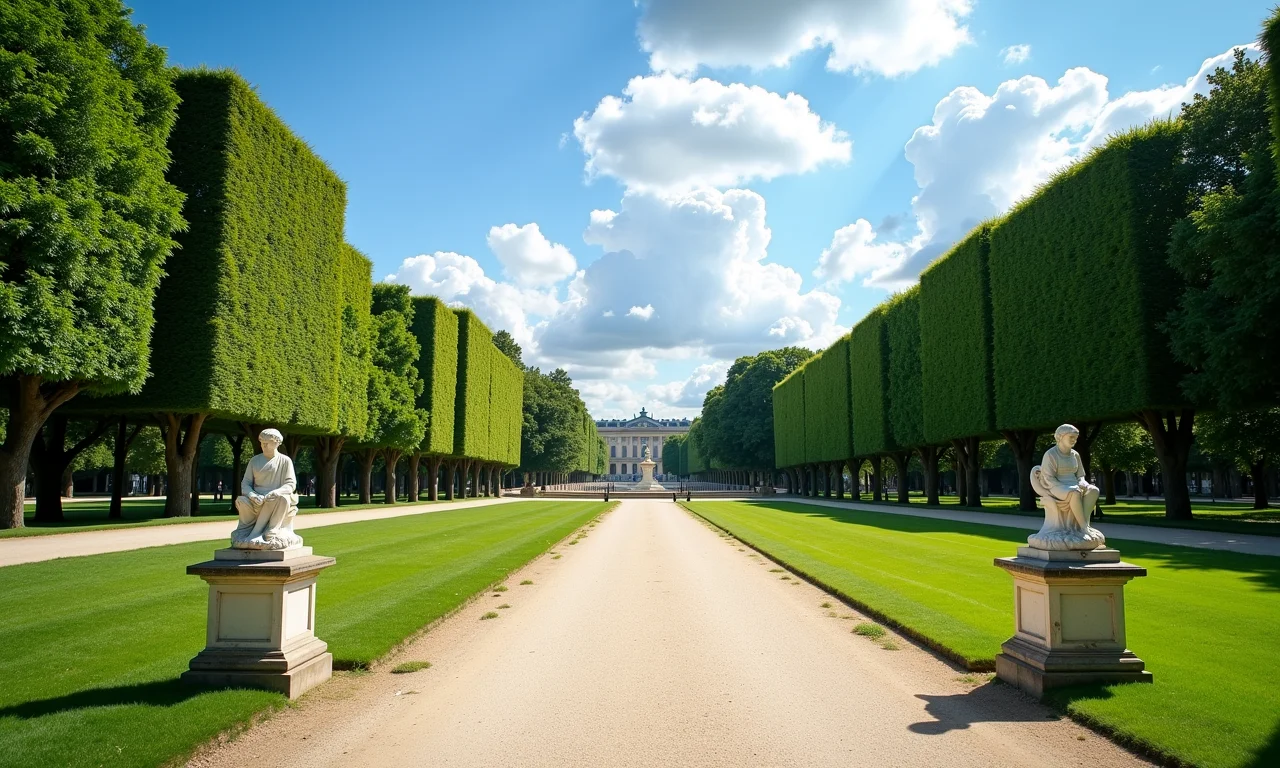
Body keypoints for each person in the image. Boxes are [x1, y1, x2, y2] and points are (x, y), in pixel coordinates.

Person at [232, 428, 302, 550]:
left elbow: (290, 484)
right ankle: (250, 533)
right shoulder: (255, 461)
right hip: (257, 498)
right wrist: (252, 495)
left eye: (267, 442)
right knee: (241, 500)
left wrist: (276, 491)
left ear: (277, 443)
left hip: (275, 497)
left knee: (281, 498)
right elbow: (246, 483)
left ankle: (270, 532)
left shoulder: (285, 461)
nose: (264, 445)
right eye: (262, 442)